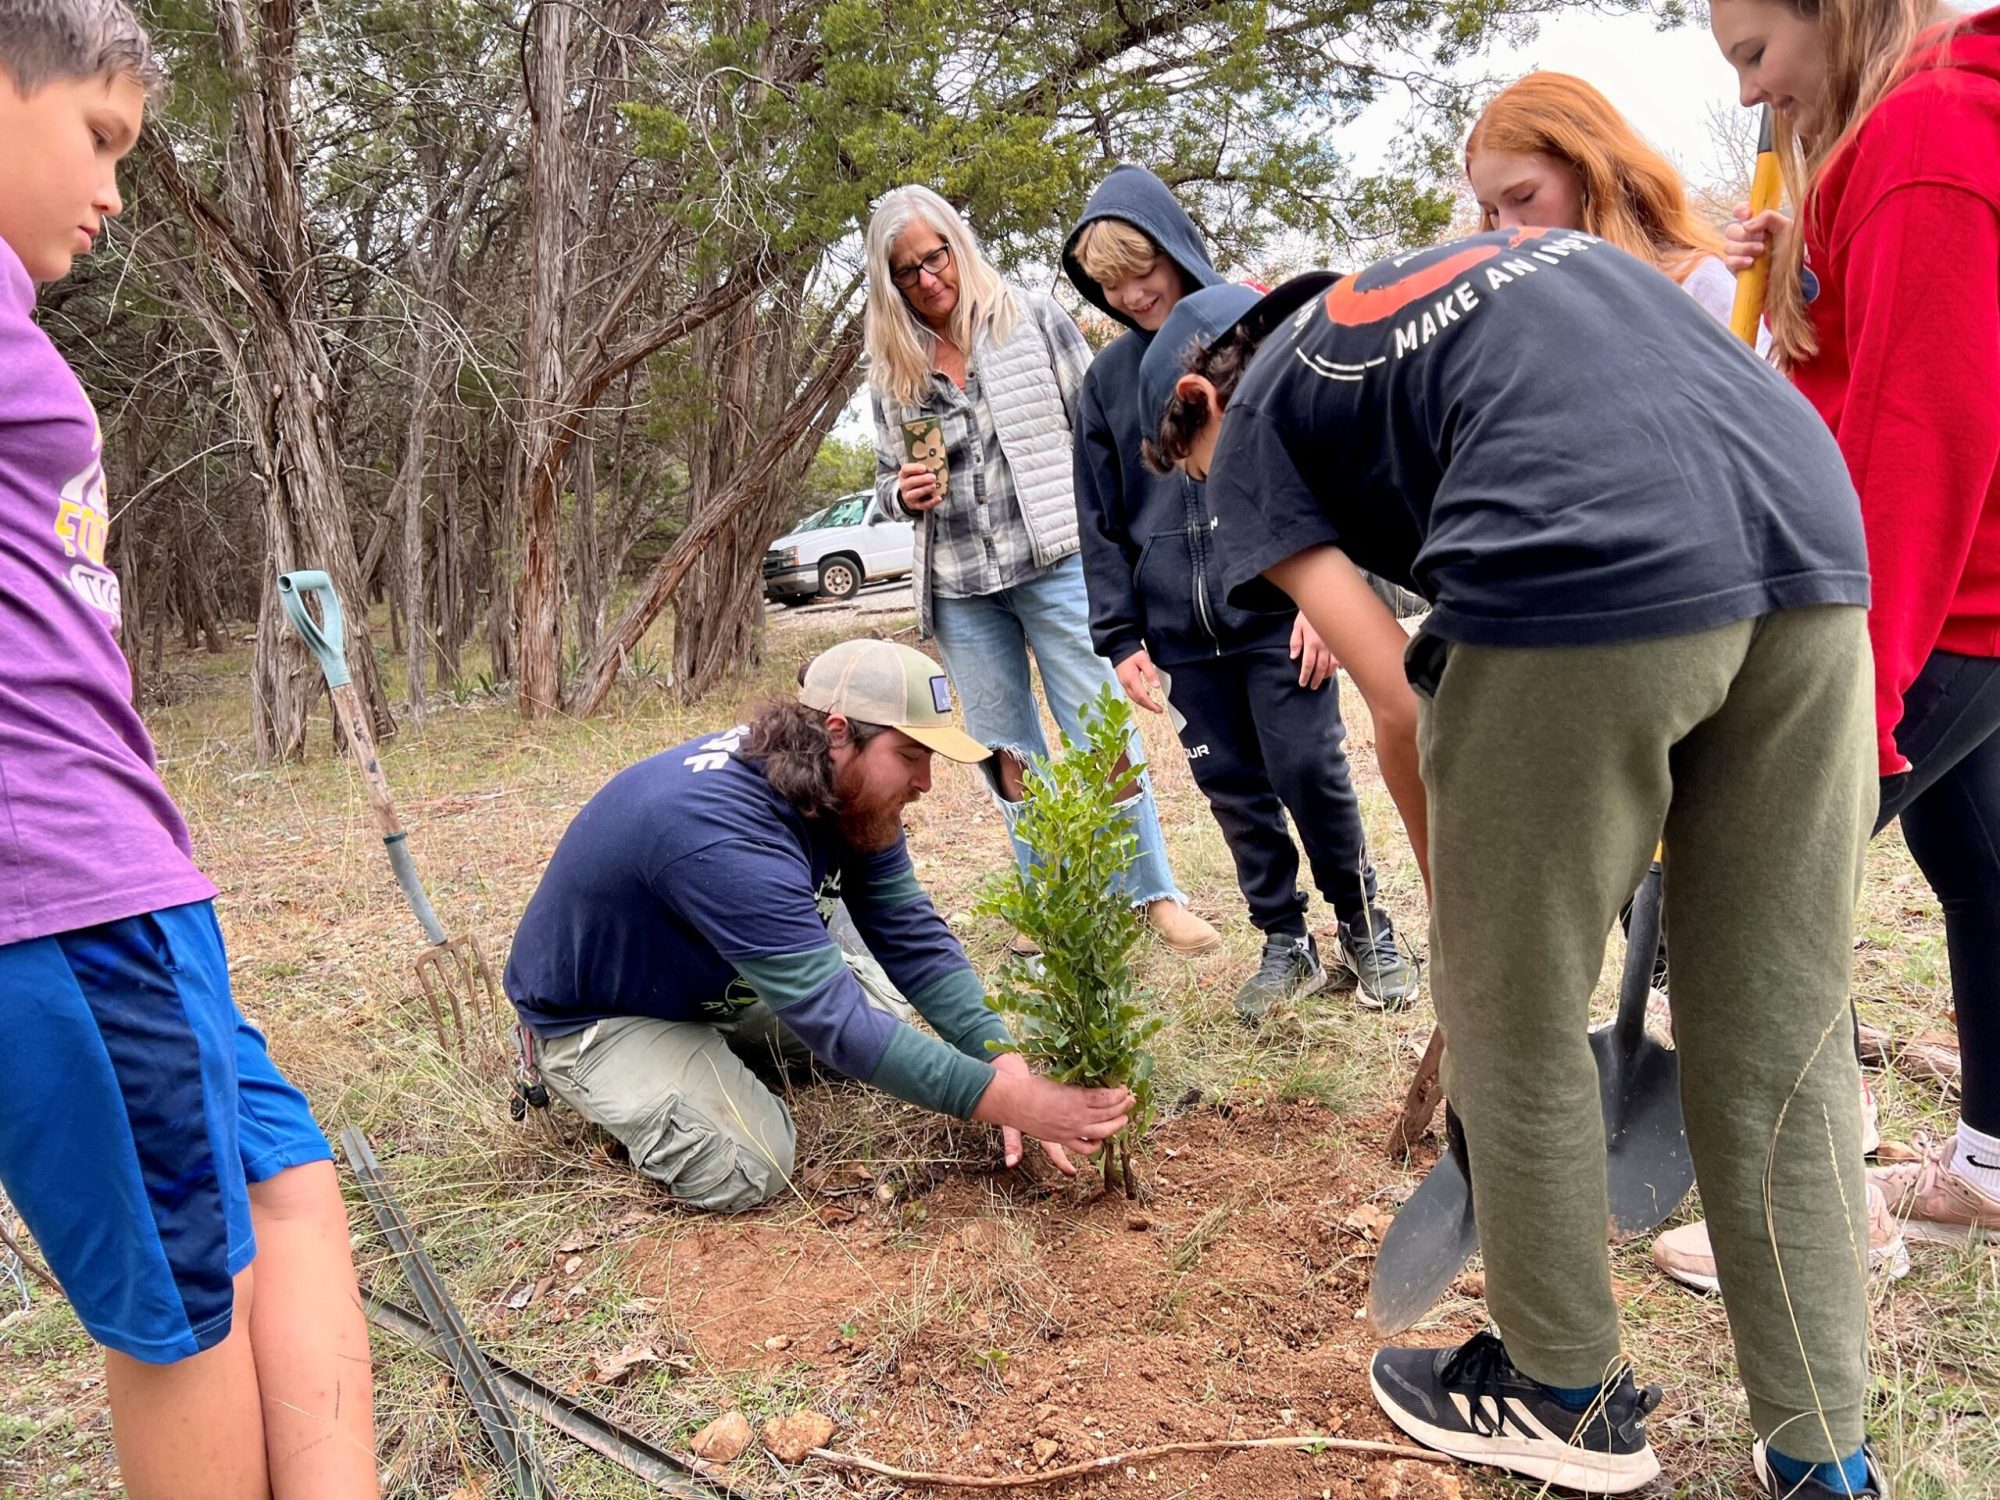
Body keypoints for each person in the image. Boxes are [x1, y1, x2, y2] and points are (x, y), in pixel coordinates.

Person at [1140, 241, 1882, 1496]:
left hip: (1579, 574)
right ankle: (1821, 1455)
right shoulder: (1469, 288)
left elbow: (1400, 707)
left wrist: (1469, 940)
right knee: (1778, 1032)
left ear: (1195, 406)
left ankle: (1561, 1397)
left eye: (1193, 476)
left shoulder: (1254, 419)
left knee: (1513, 1010)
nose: (1222, 499)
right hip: (1810, 545)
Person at [0, 5, 378, 1496]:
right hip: (60, 893)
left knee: (285, 1178)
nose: (111, 190)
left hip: (133, 887)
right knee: (177, 1307)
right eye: (95, 137)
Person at [1703, 0, 2000, 1270]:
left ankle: (1814, 1217)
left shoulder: (1924, 141)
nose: (1750, 99)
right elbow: (1860, 352)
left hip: (1943, 599)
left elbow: (1916, 446)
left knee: (1761, 890)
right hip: (1965, 592)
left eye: (1755, 57)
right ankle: (1989, 1166)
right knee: (1980, 866)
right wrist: (1804, 255)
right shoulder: (1887, 139)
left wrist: (1854, 698)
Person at [502, 639, 1136, 1211]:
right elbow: (840, 1027)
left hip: (711, 977)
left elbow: (906, 930)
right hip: (604, 1012)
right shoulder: (720, 834)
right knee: (751, 1163)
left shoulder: (842, 790)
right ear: (838, 733)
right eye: (911, 755)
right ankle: (588, 1067)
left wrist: (1001, 1060)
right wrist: (1015, 1106)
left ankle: (712, 1052)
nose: (926, 782)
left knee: (886, 1010)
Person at [1059, 164, 1414, 1019]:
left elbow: (1326, 470)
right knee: (1233, 790)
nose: (1133, 293)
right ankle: (1283, 941)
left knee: (1309, 769)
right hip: (1178, 630)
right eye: (1111, 283)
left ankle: (1365, 923)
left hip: (1280, 614)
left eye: (1143, 269)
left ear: (1178, 247)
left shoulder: (1256, 338)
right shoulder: (1107, 385)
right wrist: (1120, 637)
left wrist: (1329, 604)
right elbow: (1098, 520)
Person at [862, 184, 1217, 956]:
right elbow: (886, 477)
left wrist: (1124, 545)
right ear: (888, 283)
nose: (928, 279)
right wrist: (902, 490)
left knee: (1102, 735)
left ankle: (1151, 893)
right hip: (959, 583)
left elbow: (1098, 434)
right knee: (1008, 754)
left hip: (1056, 560)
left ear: (958, 243)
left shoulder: (1029, 317)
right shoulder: (892, 362)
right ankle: (1056, 903)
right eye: (907, 272)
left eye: (935, 256)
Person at [1464, 71, 1742, 326]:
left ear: (1588, 173)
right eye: (1492, 212)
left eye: (1524, 197)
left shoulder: (1691, 284)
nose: (1506, 229)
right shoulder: (1517, 318)